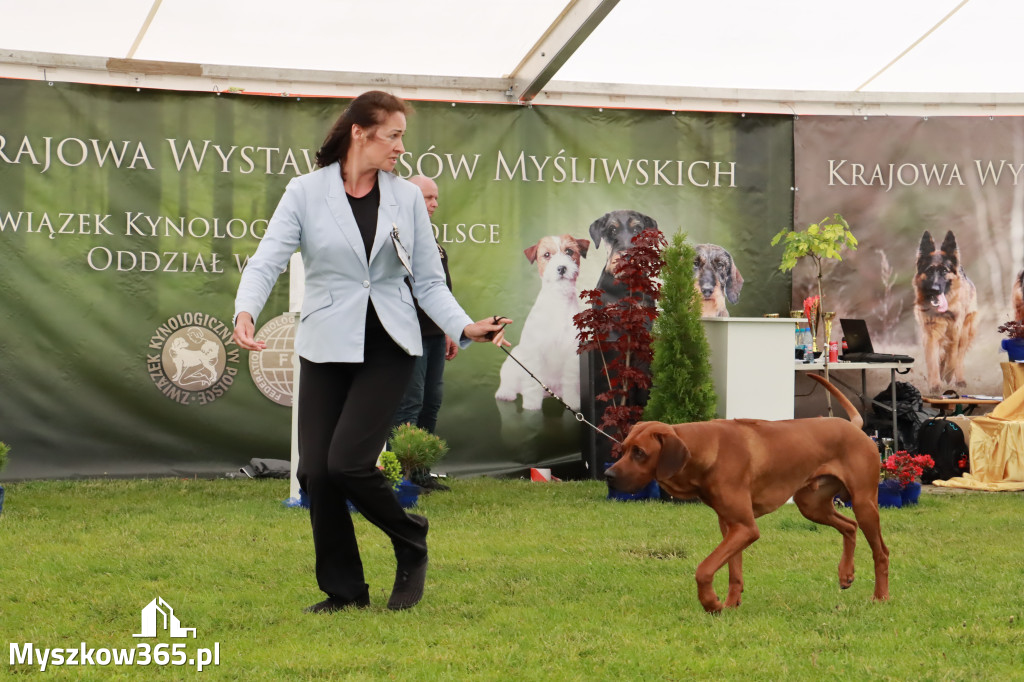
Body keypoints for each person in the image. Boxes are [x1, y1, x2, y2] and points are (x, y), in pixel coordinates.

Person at [232, 90, 511, 614]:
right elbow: (268, 258)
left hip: (390, 344)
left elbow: (428, 281)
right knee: (315, 471)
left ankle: (410, 540)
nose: (401, 147)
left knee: (349, 464)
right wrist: (246, 310)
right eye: (394, 135)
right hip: (325, 343)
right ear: (360, 132)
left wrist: (465, 326)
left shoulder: (404, 197)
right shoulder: (304, 192)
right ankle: (346, 592)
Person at [391, 175, 457, 492]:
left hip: (433, 336)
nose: (434, 204)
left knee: (431, 402)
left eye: (436, 198)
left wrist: (448, 328)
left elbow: (441, 289)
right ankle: (397, 474)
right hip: (406, 335)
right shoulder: (393, 238)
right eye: (428, 197)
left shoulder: (433, 243)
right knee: (409, 404)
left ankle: (420, 472)